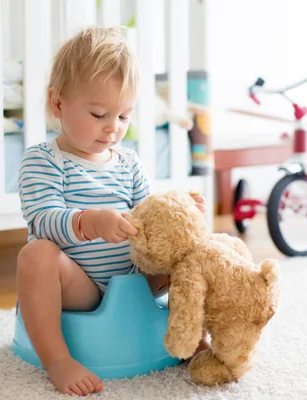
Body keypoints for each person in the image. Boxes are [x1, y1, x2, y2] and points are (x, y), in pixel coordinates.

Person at [16, 26, 206, 396]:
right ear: (58, 104)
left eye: (123, 117)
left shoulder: (128, 162)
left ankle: (192, 337)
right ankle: (58, 358)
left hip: (135, 279)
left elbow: (150, 215)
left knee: (191, 250)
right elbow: (42, 218)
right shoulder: (43, 160)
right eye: (99, 113)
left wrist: (180, 210)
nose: (113, 128)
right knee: (35, 256)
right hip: (79, 286)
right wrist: (90, 222)